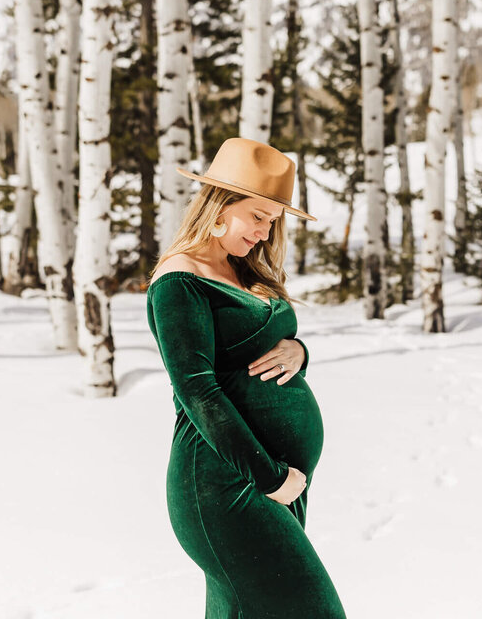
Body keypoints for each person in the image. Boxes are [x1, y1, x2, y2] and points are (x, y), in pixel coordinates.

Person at [145, 137, 347, 618]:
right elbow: (197, 389)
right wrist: (270, 478)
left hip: (271, 479)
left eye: (272, 222)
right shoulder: (180, 281)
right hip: (227, 481)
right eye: (257, 216)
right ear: (219, 203)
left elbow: (264, 345)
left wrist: (298, 351)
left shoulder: (240, 271)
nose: (263, 232)